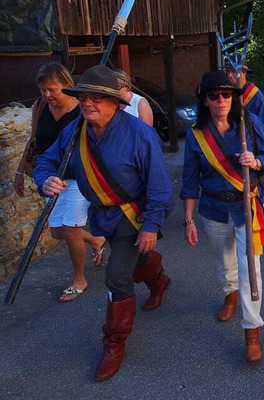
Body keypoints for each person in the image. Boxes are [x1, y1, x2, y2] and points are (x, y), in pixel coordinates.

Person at [34, 65, 174, 381]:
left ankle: (113, 343)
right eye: (83, 97)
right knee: (135, 261)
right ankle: (158, 279)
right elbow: (46, 160)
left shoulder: (139, 134)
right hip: (103, 216)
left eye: (96, 98)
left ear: (114, 102)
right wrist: (45, 179)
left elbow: (159, 183)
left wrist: (151, 224)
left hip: (133, 216)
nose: (87, 104)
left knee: (116, 277)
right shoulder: (74, 133)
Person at [181, 70, 264, 363]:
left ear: (234, 97)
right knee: (224, 261)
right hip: (213, 208)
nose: (221, 100)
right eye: (213, 95)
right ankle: (229, 292)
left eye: (226, 94)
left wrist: (256, 160)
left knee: (251, 269)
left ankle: (251, 331)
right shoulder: (196, 134)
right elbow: (189, 178)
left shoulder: (249, 123)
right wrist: (188, 219)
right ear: (205, 100)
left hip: (247, 206)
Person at [13, 62, 106, 303]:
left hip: (77, 177)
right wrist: (20, 171)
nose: (47, 94)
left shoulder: (82, 110)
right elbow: (34, 140)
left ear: (67, 85)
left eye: (52, 89)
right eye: (43, 89)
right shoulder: (40, 106)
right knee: (57, 231)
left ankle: (79, 279)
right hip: (49, 177)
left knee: (72, 230)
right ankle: (96, 239)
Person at [224, 62, 264, 133]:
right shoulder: (225, 94)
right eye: (227, 71)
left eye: (234, 71)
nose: (229, 75)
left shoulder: (256, 95)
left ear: (244, 72)